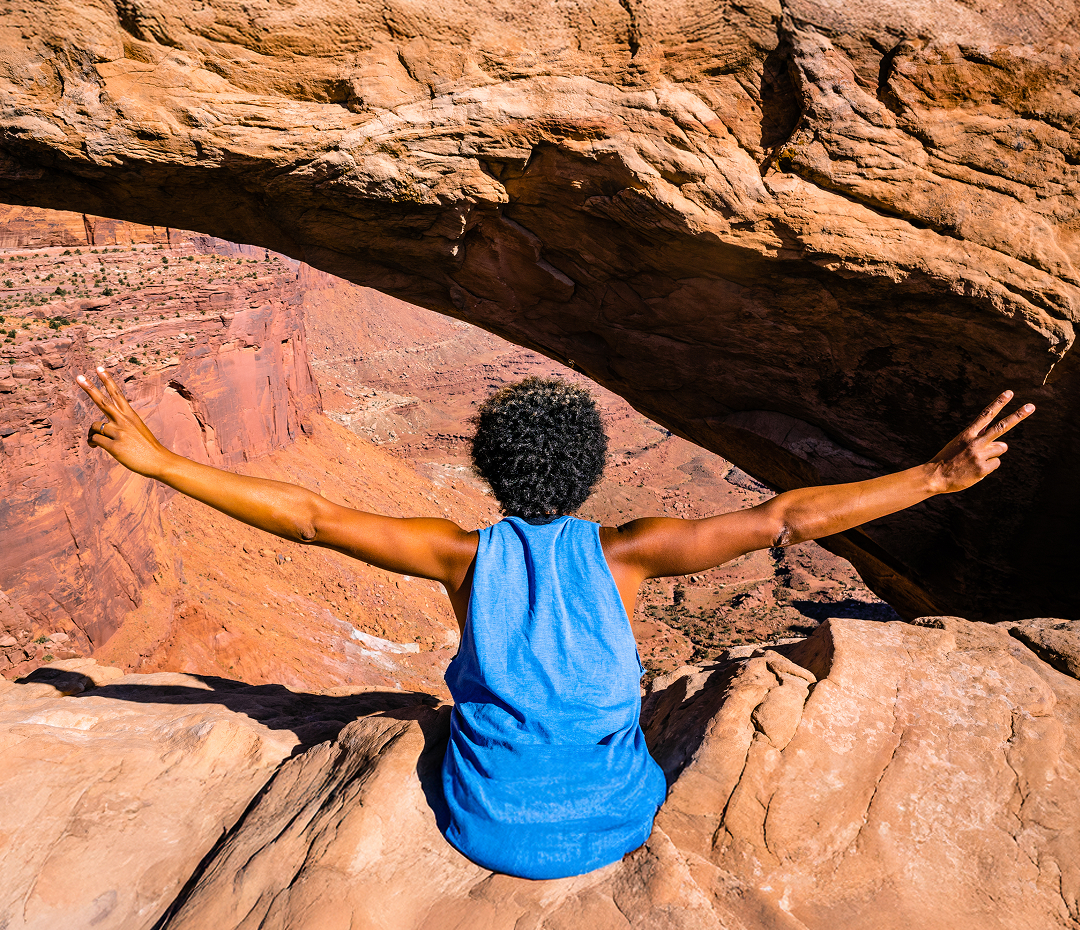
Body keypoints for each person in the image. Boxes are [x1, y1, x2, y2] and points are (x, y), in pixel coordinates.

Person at [76, 366, 1034, 879]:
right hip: (615, 822)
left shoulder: (459, 555)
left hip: (483, 822)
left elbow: (315, 519)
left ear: (491, 472)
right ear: (590, 471)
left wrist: (161, 464)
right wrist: (935, 477)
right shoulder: (633, 551)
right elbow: (784, 517)